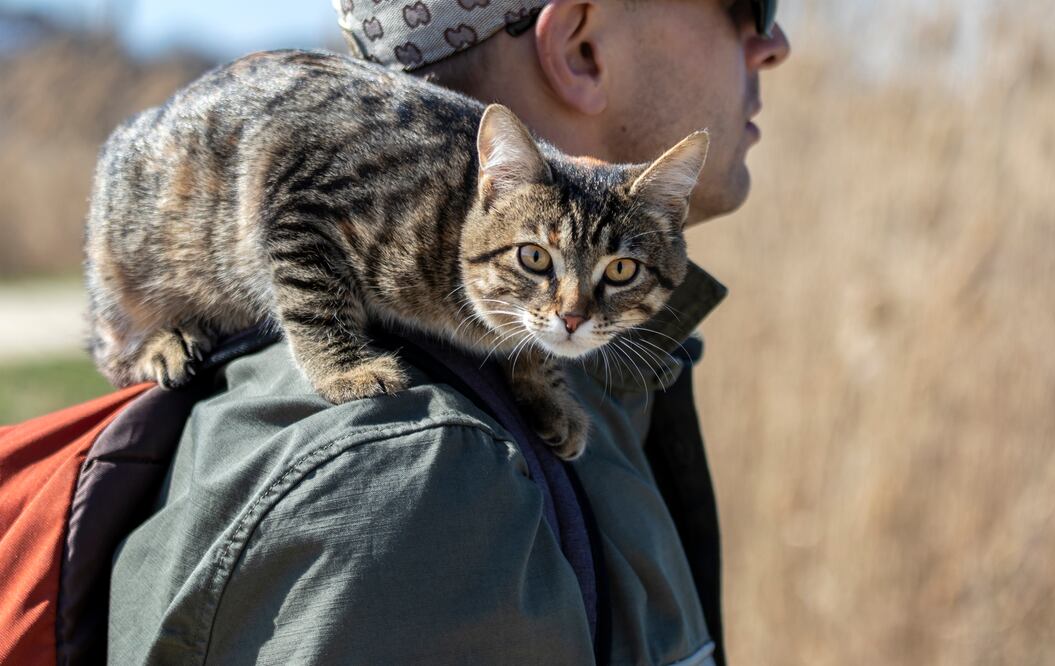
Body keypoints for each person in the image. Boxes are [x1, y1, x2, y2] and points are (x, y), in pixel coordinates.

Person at [106, 1, 789, 664]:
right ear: (580, 45)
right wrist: (334, 353)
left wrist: (531, 368)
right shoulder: (420, 472)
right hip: (169, 249)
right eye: (746, 6)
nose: (774, 42)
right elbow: (298, 214)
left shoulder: (574, 344)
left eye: (620, 272)